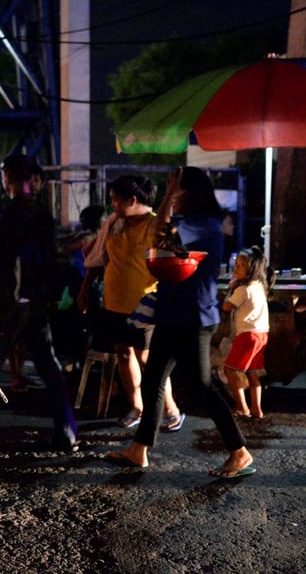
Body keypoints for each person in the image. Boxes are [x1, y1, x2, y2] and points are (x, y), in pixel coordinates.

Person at [107, 166, 255, 479]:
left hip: (193, 318)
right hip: (172, 313)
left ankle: (239, 451)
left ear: (192, 193)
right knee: (152, 381)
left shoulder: (205, 225)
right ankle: (139, 450)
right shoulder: (191, 223)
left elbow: (159, 231)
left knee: (201, 387)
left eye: (178, 191)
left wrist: (169, 196)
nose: (172, 199)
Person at [0, 154, 78, 450]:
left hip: (12, 301)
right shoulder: (43, 214)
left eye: (4, 176)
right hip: (36, 299)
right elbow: (50, 260)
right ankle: (67, 431)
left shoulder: (10, 215)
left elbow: (7, 263)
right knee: (49, 367)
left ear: (10, 179)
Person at [78, 175, 183, 432]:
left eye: (115, 199)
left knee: (148, 359)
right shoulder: (114, 224)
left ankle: (171, 410)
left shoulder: (153, 225)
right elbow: (97, 258)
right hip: (114, 302)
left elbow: (172, 257)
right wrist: (85, 289)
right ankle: (137, 407)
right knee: (124, 354)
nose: (112, 205)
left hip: (145, 304)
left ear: (132, 200)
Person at [221, 246, 270, 418]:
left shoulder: (243, 289)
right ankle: (257, 408)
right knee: (252, 372)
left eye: (241, 265)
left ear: (252, 268)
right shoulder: (259, 285)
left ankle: (242, 406)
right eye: (236, 264)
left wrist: (230, 289)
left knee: (230, 369)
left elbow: (227, 306)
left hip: (248, 335)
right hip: (262, 334)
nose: (236, 268)